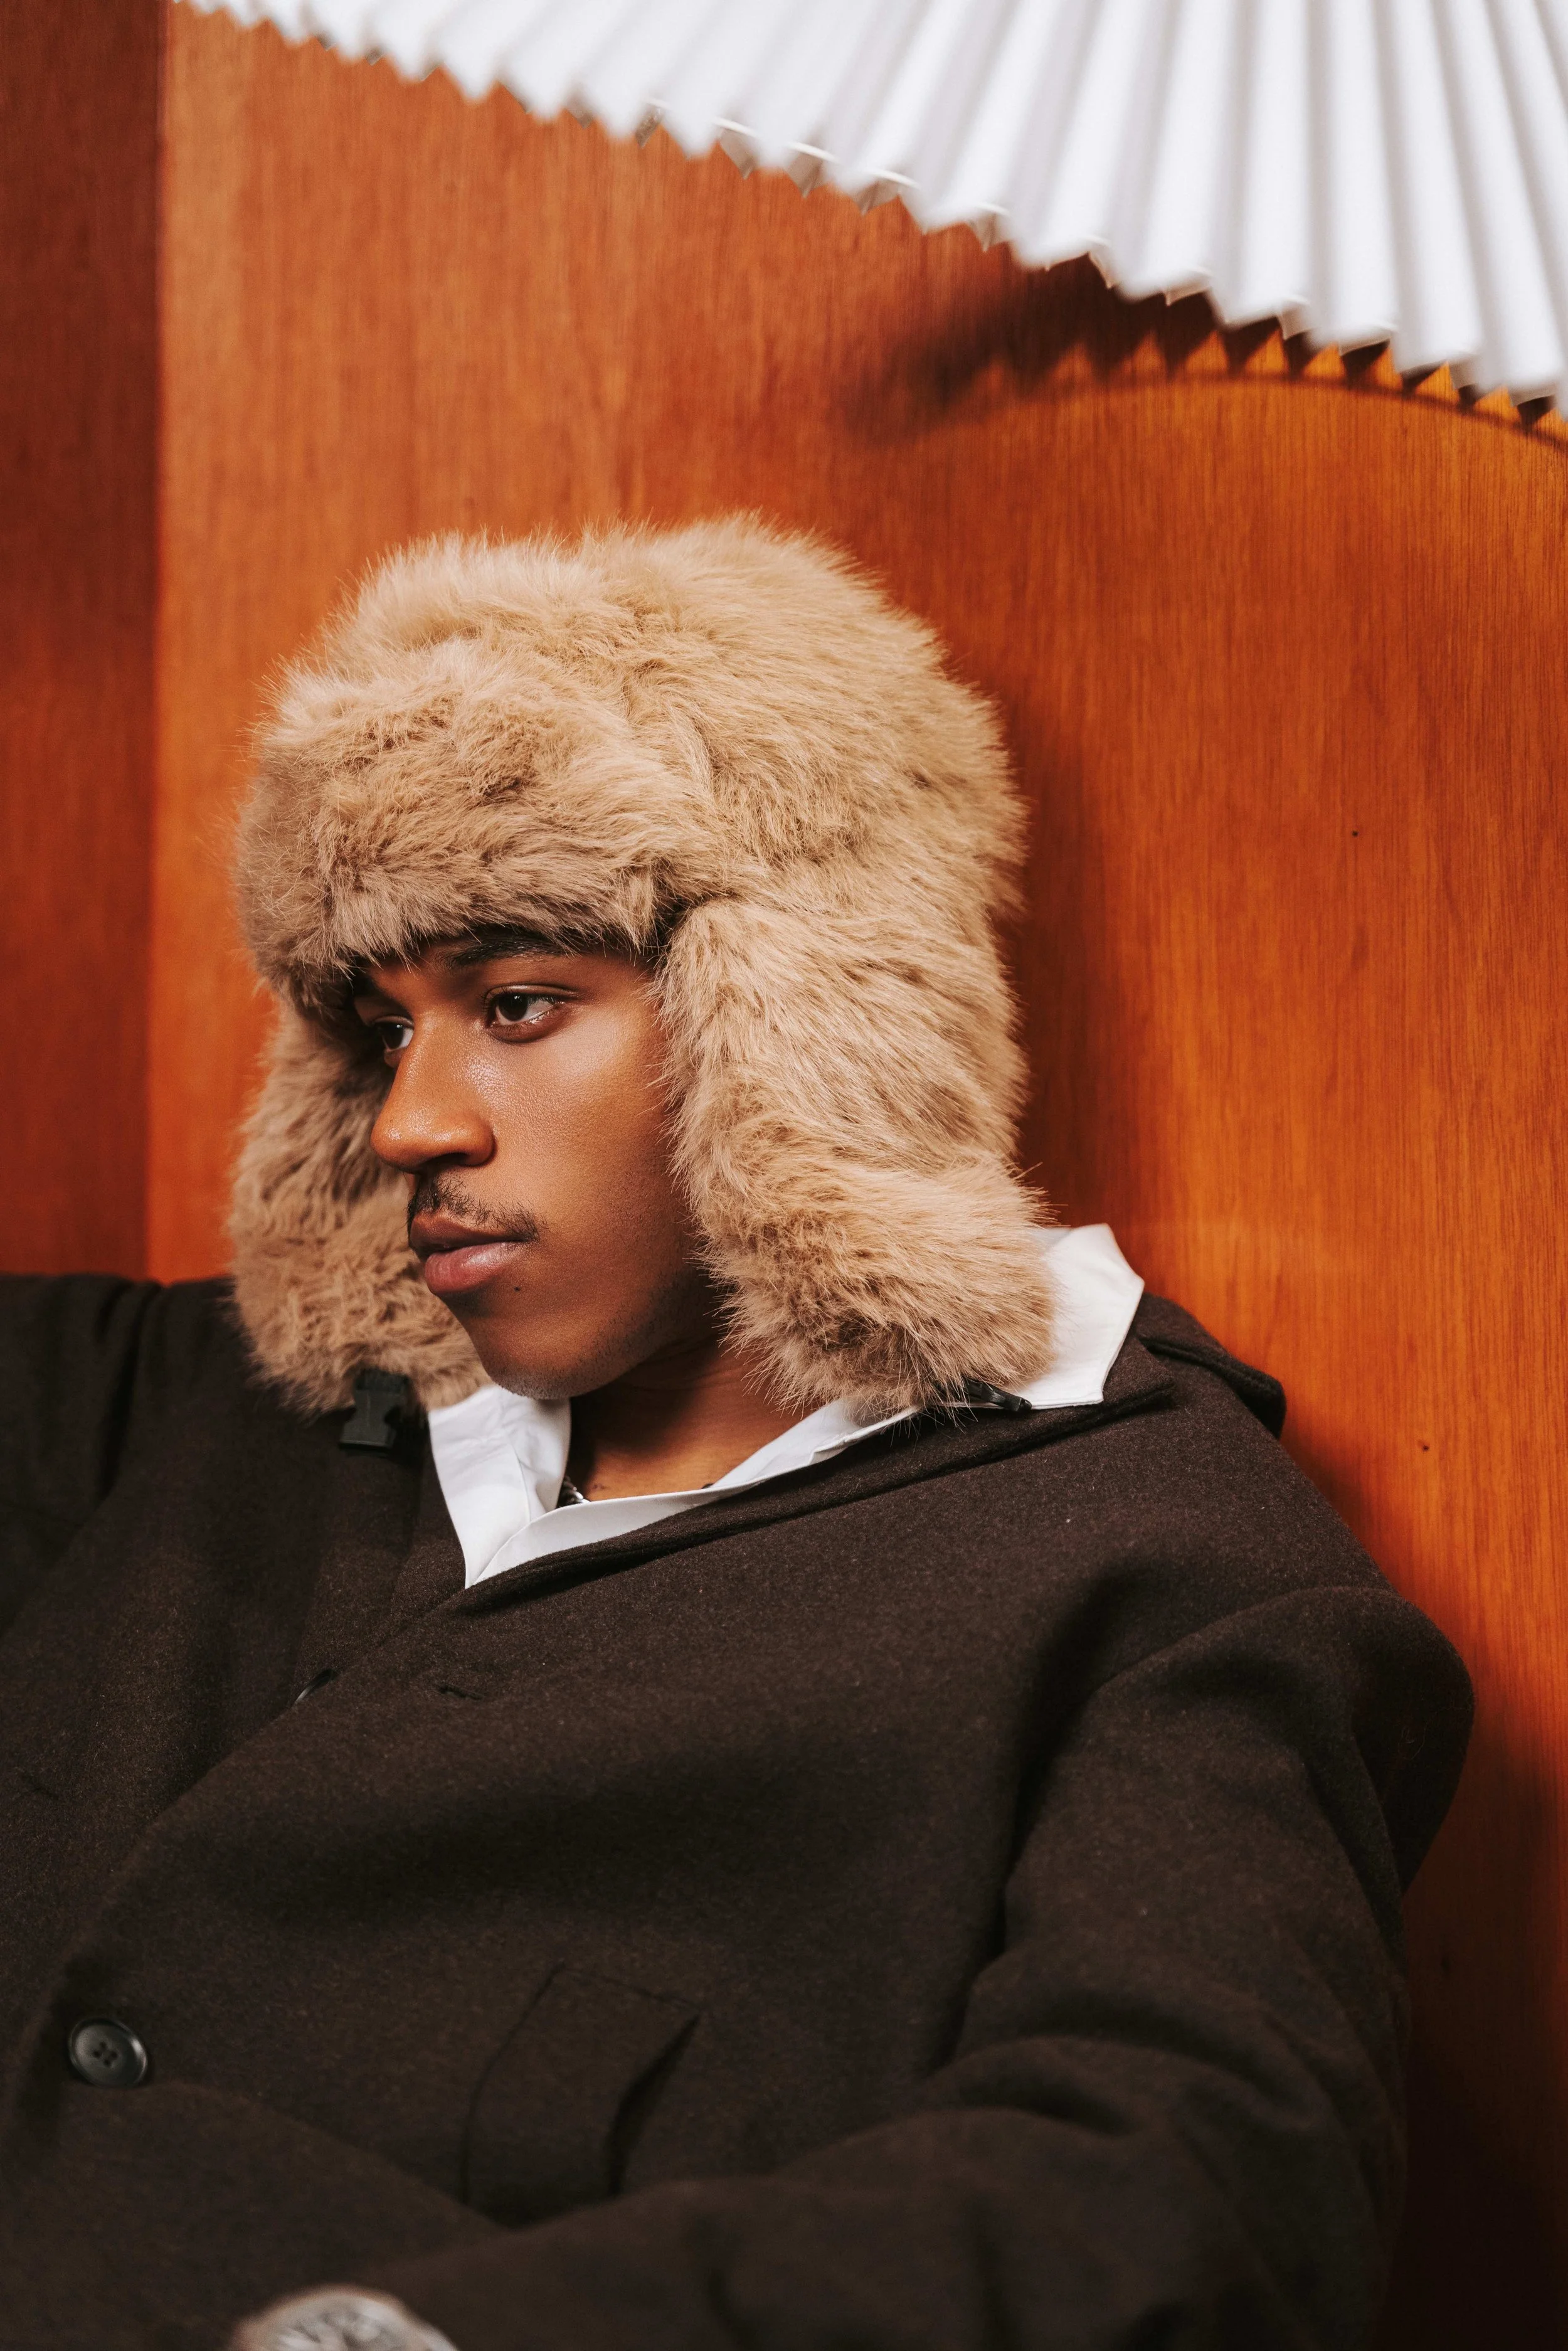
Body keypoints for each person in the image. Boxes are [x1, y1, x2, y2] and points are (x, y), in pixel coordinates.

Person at [0, 519, 1469, 2351]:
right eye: (380, 1031)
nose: (410, 1122)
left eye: (519, 1003)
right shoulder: (221, 1403)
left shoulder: (1153, 1572)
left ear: (796, 1013)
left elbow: (1189, 2186)